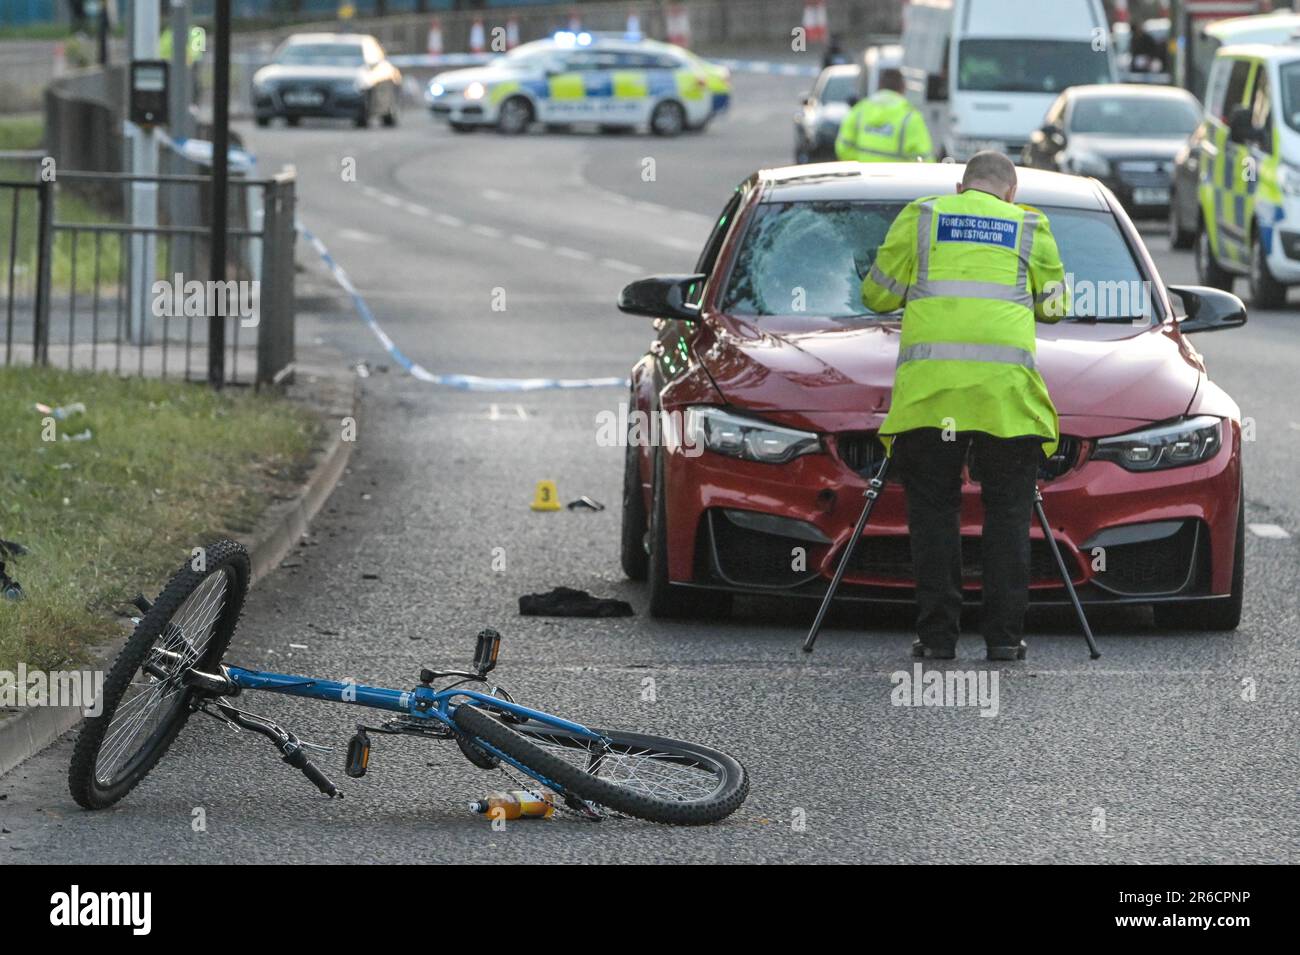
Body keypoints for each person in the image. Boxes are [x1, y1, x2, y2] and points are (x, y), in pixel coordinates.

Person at [861, 151, 1069, 661]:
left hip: (932, 398)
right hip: (1006, 401)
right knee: (1008, 515)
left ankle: (936, 640)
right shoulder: (1029, 226)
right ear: (1011, 193)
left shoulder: (924, 215)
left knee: (934, 514)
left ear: (961, 187)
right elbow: (1056, 307)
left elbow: (877, 296)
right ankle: (1003, 639)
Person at [835, 67, 932, 163]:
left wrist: (863, 163)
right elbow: (924, 159)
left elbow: (843, 148)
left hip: (863, 175)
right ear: (903, 88)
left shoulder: (859, 111)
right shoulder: (911, 117)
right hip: (898, 177)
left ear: (879, 86)